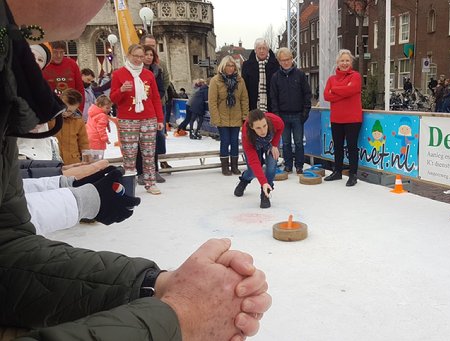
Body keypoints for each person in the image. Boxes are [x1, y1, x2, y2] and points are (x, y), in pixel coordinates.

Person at [0, 1, 270, 340]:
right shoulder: (113, 72)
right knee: (129, 155)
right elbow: (110, 96)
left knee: (146, 153)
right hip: (127, 116)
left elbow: (7, 251)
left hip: (145, 119)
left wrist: (154, 286)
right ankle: (134, 178)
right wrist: (178, 318)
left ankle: (148, 176)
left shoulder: (6, 59)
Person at [110, 44, 164, 195]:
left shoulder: (148, 75)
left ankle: (150, 182)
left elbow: (155, 98)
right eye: (136, 56)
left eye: (141, 57)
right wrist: (121, 90)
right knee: (129, 154)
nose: (139, 60)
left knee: (149, 153)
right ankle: (129, 184)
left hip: (148, 118)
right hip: (128, 119)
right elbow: (113, 98)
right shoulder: (119, 74)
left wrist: (159, 118)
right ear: (129, 55)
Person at [323, 49, 363, 187]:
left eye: (347, 60)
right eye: (342, 61)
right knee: (338, 147)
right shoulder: (331, 79)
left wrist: (335, 89)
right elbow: (326, 96)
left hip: (353, 119)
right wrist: (344, 90)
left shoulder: (356, 76)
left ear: (351, 62)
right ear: (337, 63)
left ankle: (353, 175)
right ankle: (337, 171)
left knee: (352, 147)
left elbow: (353, 89)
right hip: (336, 118)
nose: (344, 63)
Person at [270, 47, 311, 174]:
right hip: (282, 116)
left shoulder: (300, 75)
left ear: (292, 59)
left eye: (287, 59)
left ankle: (299, 165)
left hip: (298, 115)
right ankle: (288, 165)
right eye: (282, 60)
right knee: (286, 143)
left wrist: (305, 113)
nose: (285, 62)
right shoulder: (275, 77)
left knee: (299, 142)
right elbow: (273, 97)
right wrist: (276, 116)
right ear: (279, 61)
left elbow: (307, 94)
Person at [233, 109, 284, 209]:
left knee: (271, 166)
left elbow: (281, 128)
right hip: (254, 142)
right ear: (252, 127)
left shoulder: (275, 121)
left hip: (271, 142)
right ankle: (244, 180)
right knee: (253, 170)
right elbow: (254, 162)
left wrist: (274, 145)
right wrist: (263, 181)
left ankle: (265, 193)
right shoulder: (246, 135)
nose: (263, 131)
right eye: (258, 128)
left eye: (264, 126)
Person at [209, 55, 249, 176]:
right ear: (223, 66)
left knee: (235, 142)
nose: (231, 68)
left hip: (236, 117)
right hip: (222, 117)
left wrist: (244, 117)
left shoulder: (240, 81)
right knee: (225, 141)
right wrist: (216, 118)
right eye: (228, 65)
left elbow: (244, 99)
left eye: (233, 66)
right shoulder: (216, 80)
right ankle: (225, 166)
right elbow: (212, 101)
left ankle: (235, 166)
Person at [135, 44, 166, 185]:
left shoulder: (157, 71)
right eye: (146, 54)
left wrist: (152, 98)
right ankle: (141, 172)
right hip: (136, 109)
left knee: (153, 142)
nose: (148, 57)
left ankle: (155, 170)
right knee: (139, 144)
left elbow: (161, 89)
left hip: (152, 109)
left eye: (151, 55)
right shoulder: (134, 71)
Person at [48, 88, 89, 165]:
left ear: (76, 108)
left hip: (73, 162)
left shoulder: (79, 121)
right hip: (53, 161)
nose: (65, 113)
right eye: (64, 109)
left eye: (70, 111)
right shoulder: (49, 118)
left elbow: (84, 143)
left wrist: (86, 160)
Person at [42, 40, 86, 112]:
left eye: (61, 52)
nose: (59, 55)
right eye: (55, 52)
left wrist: (78, 110)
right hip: (51, 110)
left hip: (71, 110)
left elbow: (80, 89)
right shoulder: (43, 65)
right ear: (49, 51)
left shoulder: (72, 64)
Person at [242, 38, 279, 112]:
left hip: (272, 108)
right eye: (259, 48)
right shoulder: (247, 65)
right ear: (255, 50)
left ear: (268, 50)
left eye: (264, 48)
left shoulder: (276, 65)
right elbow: (244, 88)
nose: (262, 51)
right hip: (253, 108)